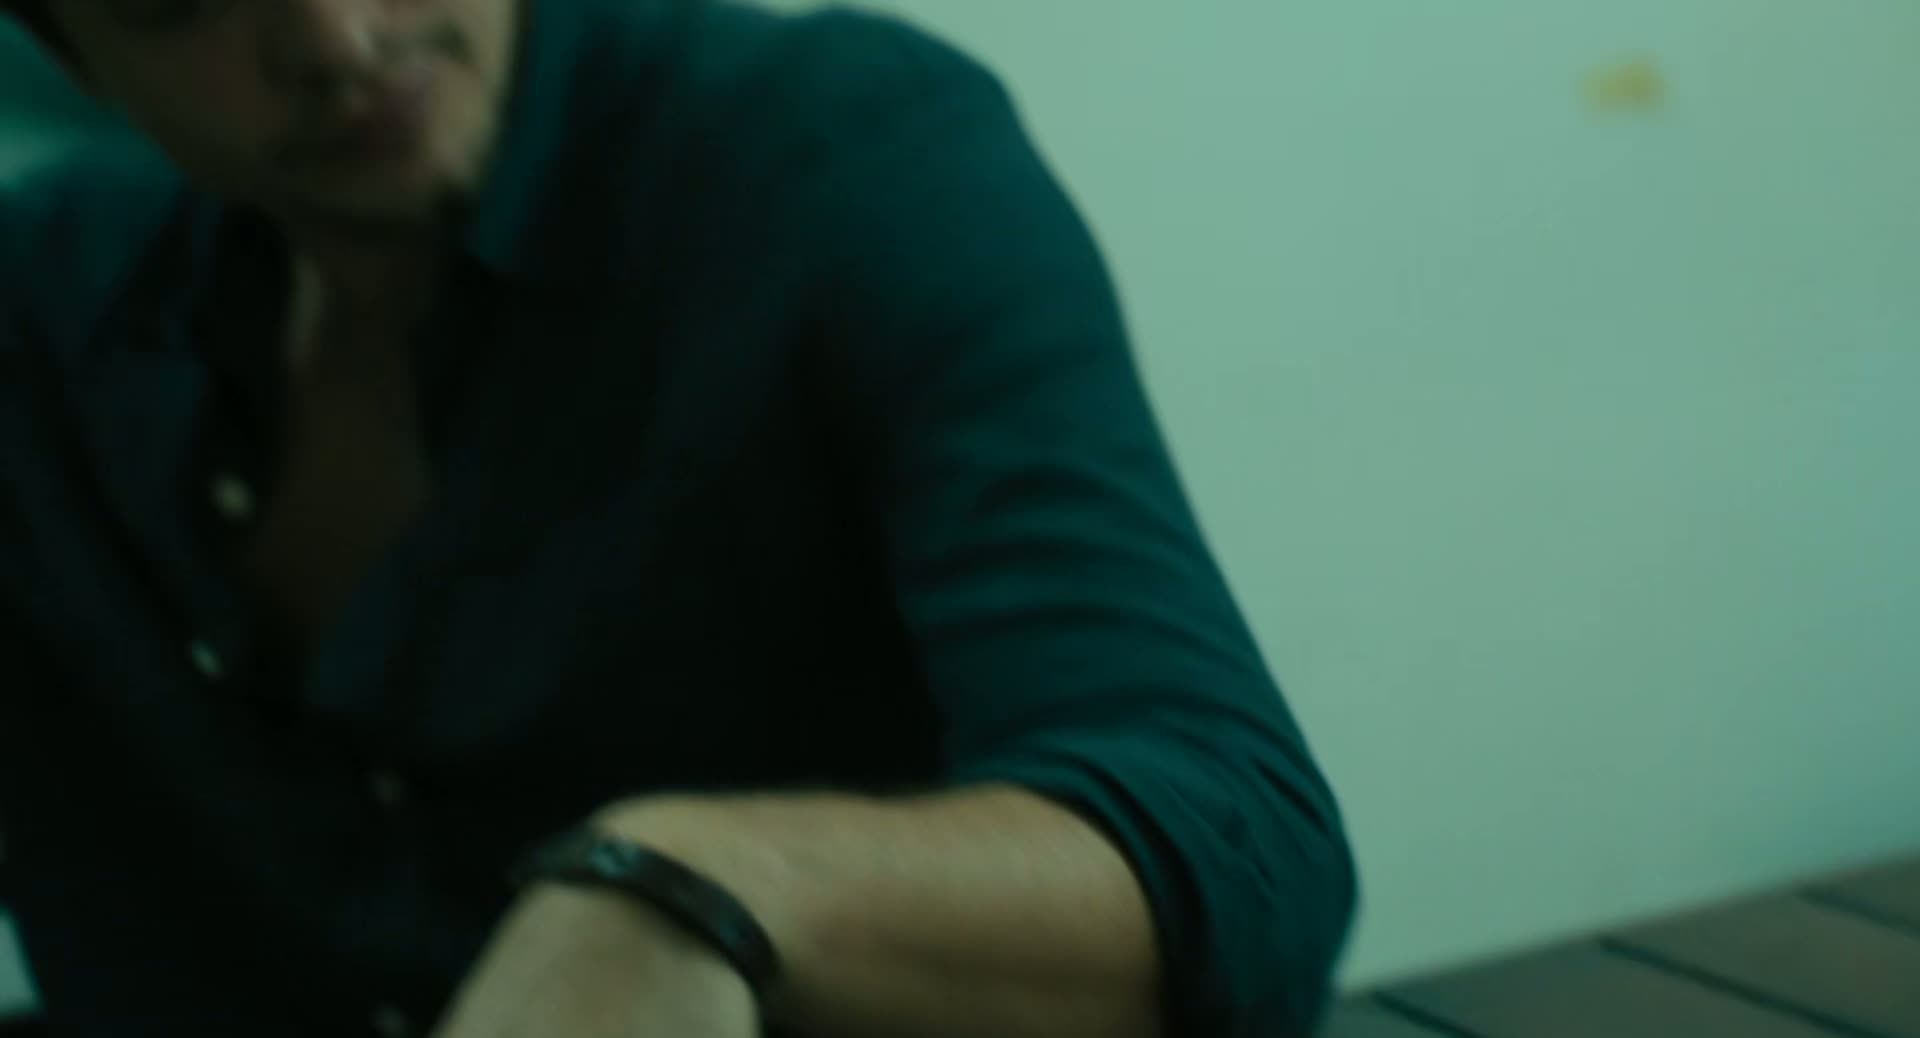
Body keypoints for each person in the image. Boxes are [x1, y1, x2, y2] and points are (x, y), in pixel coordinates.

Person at [0, 1, 1356, 1035]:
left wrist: (687, 890)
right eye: (187, 0)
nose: (336, 40)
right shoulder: (42, 317)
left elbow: (1243, 853)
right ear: (67, 49)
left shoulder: (837, 151)